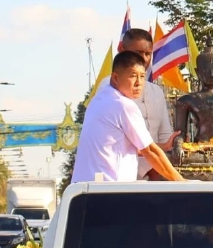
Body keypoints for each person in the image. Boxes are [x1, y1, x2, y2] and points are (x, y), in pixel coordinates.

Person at [71, 51, 184, 184]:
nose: (139, 83)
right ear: (115, 78)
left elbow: (122, 146)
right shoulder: (124, 105)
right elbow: (149, 151)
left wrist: (164, 146)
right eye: (133, 76)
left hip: (82, 188)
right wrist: (181, 182)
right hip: (109, 189)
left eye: (142, 76)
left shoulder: (97, 101)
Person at [95, 28, 180, 179]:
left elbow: (165, 139)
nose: (144, 59)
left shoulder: (157, 92)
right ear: (122, 50)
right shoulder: (109, 90)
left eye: (148, 54)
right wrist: (179, 181)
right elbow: (143, 148)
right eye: (138, 53)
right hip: (116, 177)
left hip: (154, 175)